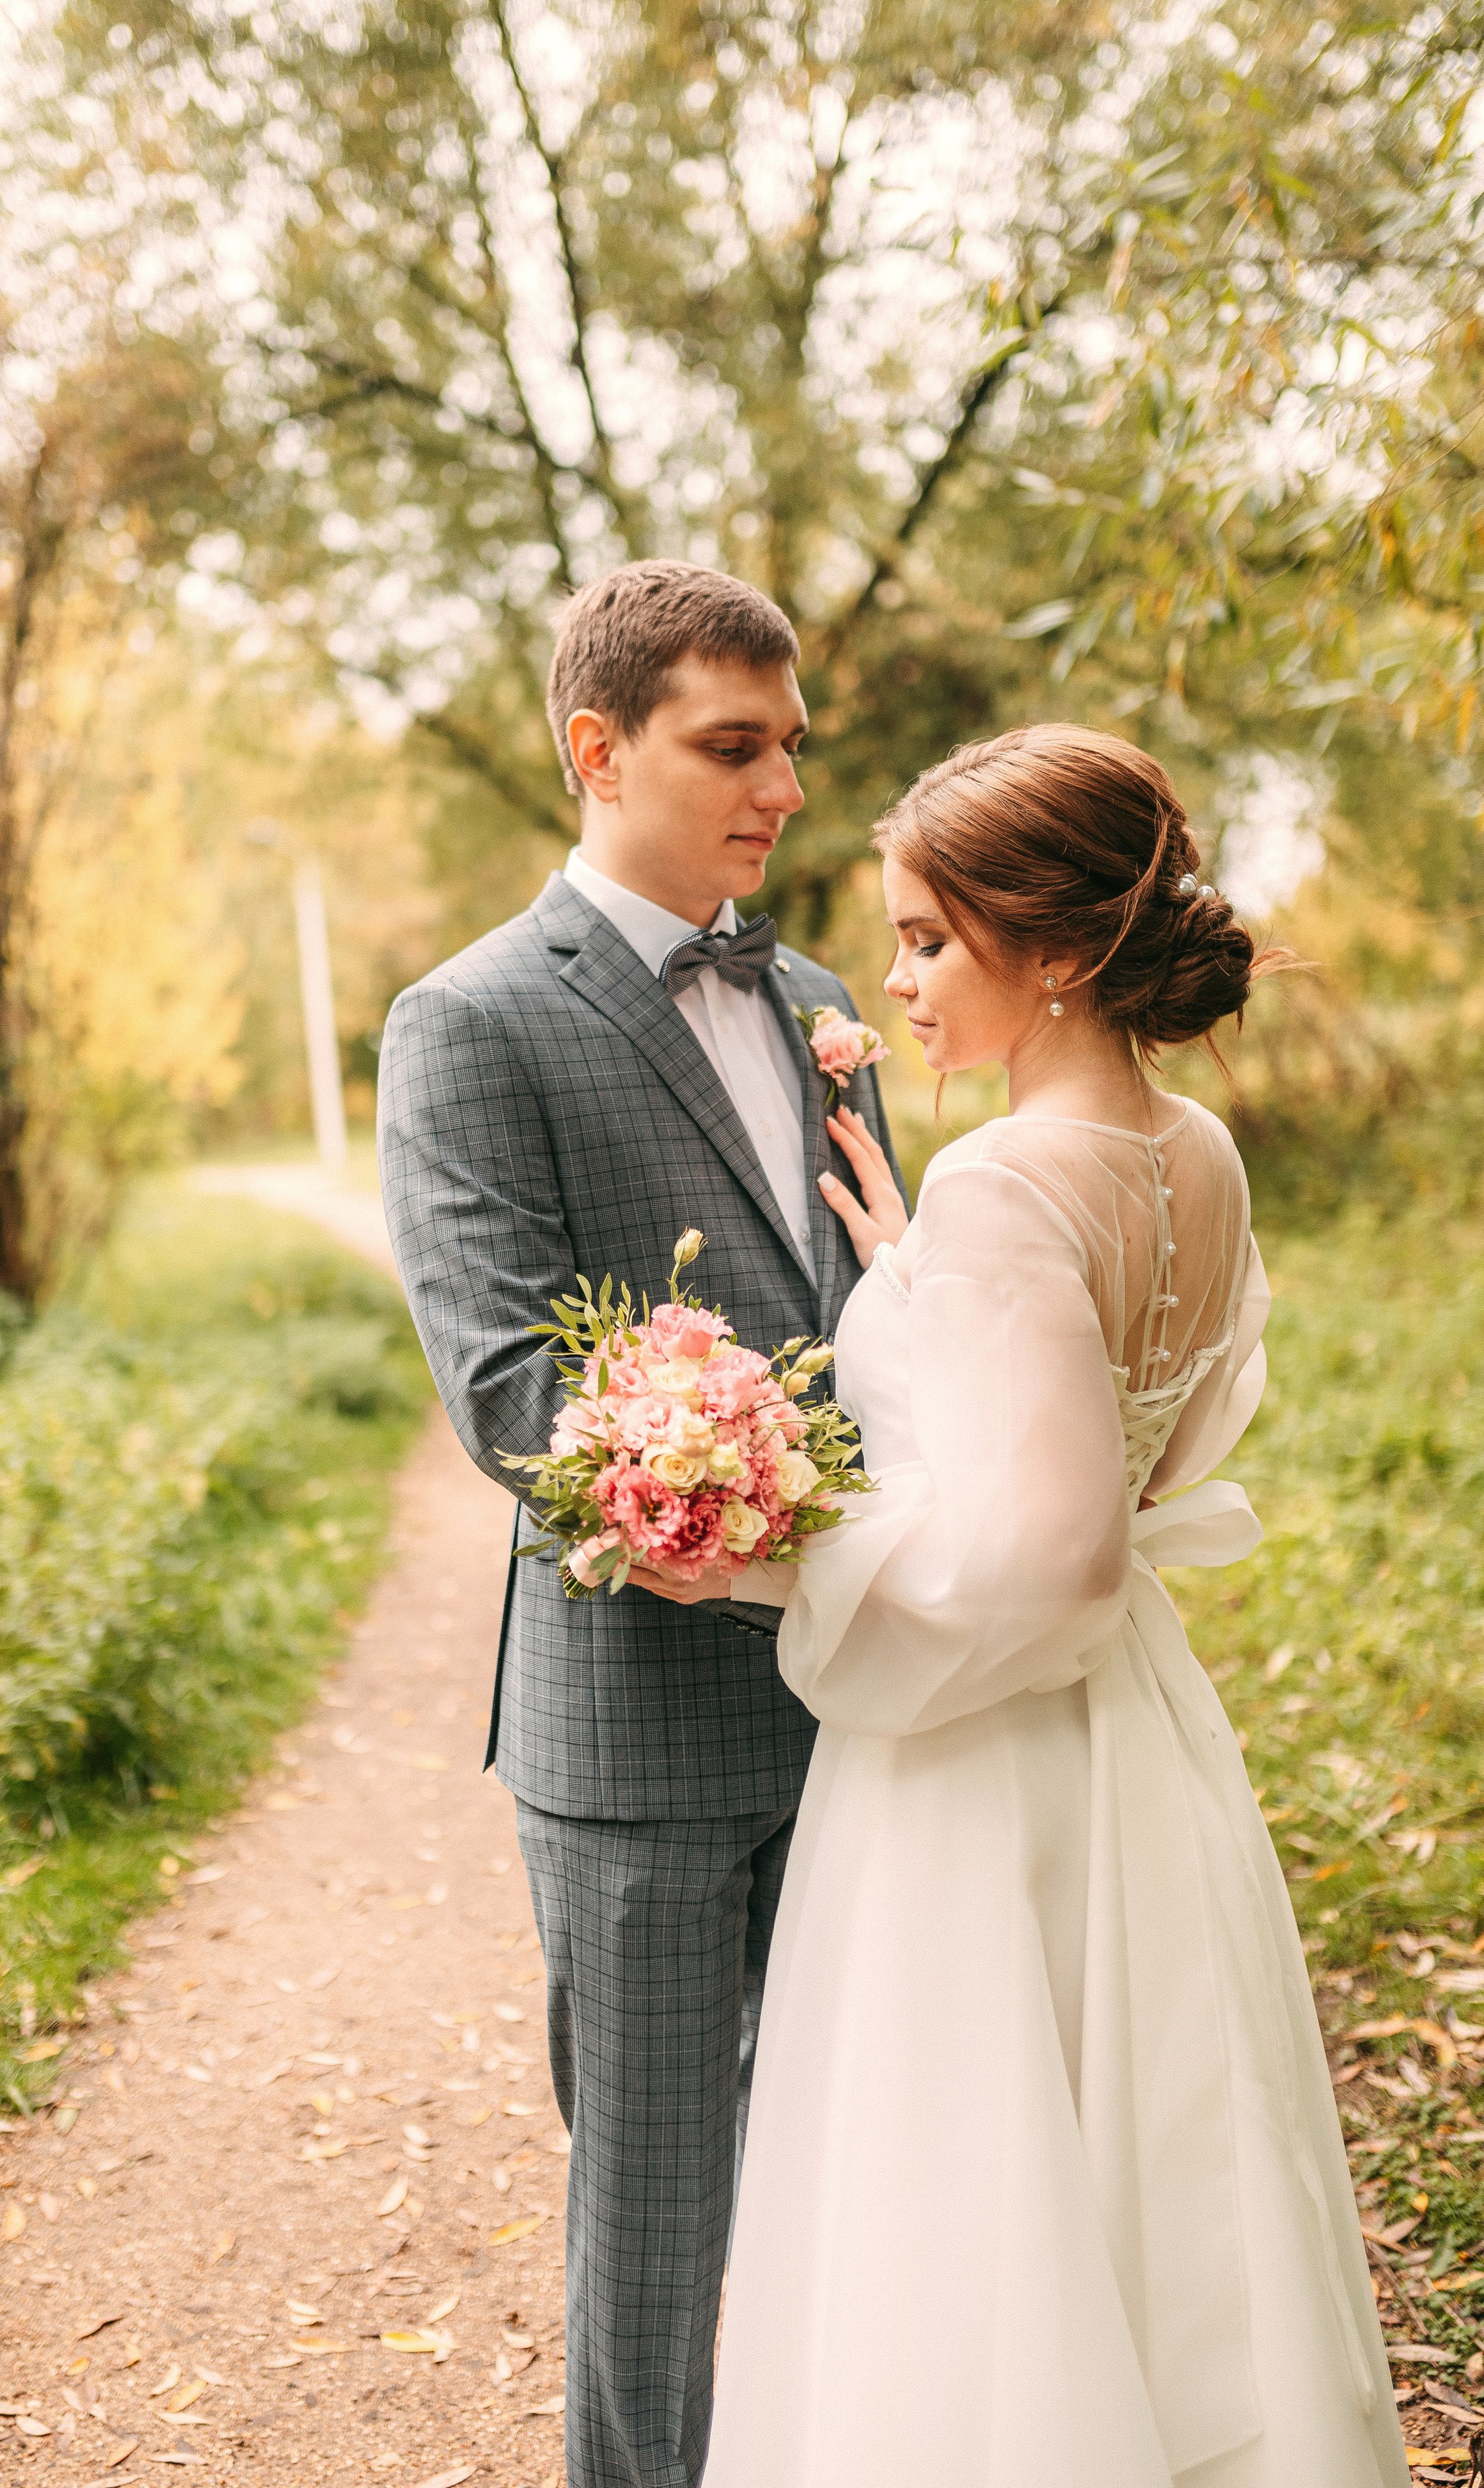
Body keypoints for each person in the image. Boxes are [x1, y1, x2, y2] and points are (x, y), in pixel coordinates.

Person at [637, 723, 1402, 2486]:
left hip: (984, 1776)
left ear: (1051, 950)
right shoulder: (1194, 1151)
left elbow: (1049, 1557)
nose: (893, 981)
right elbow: (1142, 1451)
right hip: (1141, 1735)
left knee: (971, 2182)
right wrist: (923, 1282)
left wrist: (765, 1556)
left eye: (927, 938)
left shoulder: (1000, 1186)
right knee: (1150, 2158)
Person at [376, 560, 906, 2488]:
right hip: (638, 1729)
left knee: (844, 2182)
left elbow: (887, 1329)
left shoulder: (833, 1004)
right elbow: (514, 1396)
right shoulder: (468, 1023)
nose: (780, 790)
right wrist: (750, 1502)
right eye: (733, 747)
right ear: (599, 750)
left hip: (872, 1702)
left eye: (791, 751)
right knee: (664, 2223)